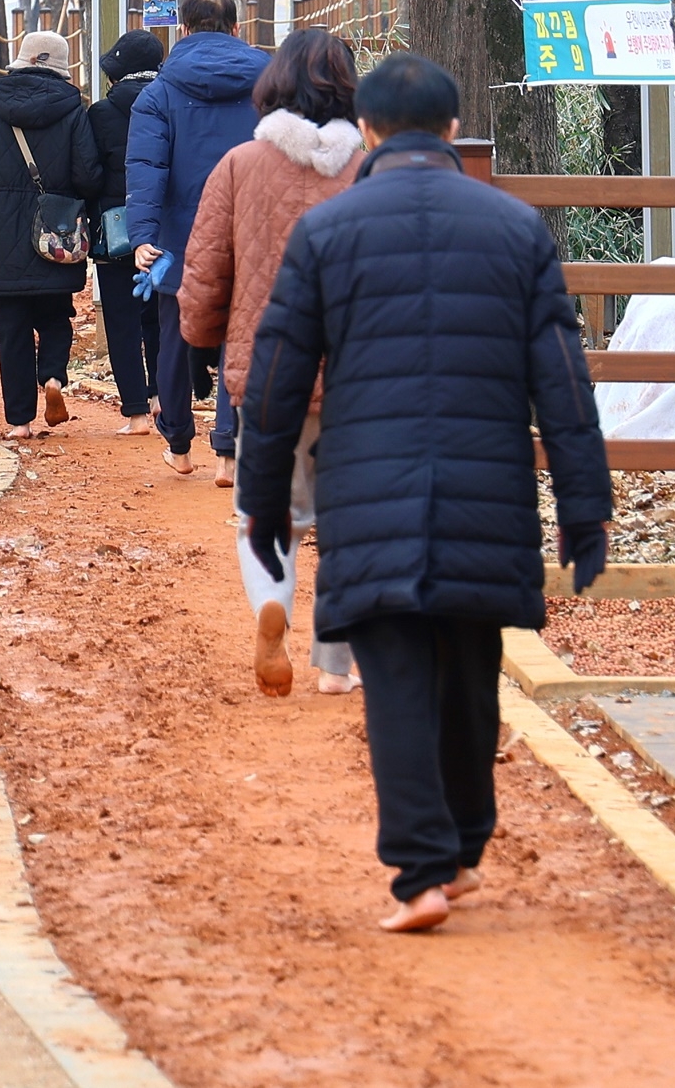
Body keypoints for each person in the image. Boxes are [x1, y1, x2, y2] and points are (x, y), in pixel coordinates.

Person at [235, 54, 609, 934]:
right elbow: (562, 377)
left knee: (396, 669)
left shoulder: (328, 232)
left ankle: (421, 869)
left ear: (366, 130)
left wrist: (262, 506)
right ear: (449, 129)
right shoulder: (517, 228)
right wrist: (585, 508)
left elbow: (280, 376)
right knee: (471, 669)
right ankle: (463, 844)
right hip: (489, 484)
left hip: (369, 483)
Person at [175, 24, 367, 687]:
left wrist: (200, 337)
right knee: (350, 518)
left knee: (267, 510)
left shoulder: (239, 166)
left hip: (265, 375)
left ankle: (269, 605)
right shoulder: (367, 169)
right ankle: (337, 666)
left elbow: (205, 270)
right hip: (355, 380)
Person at [123, 0, 269, 474]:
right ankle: (229, 454)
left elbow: (147, 168)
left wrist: (143, 235)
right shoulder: (267, 88)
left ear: (182, 30)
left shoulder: (158, 94)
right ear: (236, 29)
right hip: (249, 233)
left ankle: (180, 447)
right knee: (237, 336)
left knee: (175, 337)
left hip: (177, 238)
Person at [0, 31, 102, 439]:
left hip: (1, 232)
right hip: (55, 232)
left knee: (11, 330)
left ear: (20, 61)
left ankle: (20, 422)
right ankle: (54, 379)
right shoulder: (74, 110)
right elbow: (88, 176)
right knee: (57, 317)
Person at [84, 31, 166, 433]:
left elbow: (88, 172)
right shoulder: (172, 104)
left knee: (121, 319)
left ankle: (135, 411)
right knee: (161, 316)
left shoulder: (101, 113)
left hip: (116, 228)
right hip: (167, 224)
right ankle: (162, 398)